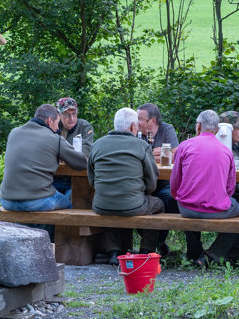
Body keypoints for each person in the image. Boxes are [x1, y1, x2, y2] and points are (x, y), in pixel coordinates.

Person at [170, 110, 239, 268]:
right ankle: (216, 254)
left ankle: (195, 251)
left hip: (186, 208)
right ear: (217, 130)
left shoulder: (184, 146)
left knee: (191, 203)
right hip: (216, 209)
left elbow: (175, 183)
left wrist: (182, 197)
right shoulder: (226, 151)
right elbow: (230, 189)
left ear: (198, 126)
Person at [0, 104, 87, 239]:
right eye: (57, 124)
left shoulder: (14, 133)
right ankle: (53, 244)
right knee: (71, 203)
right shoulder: (54, 138)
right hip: (37, 201)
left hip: (7, 200)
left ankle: (29, 240)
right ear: (49, 121)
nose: (57, 129)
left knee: (41, 201)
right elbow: (81, 163)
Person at [87, 107, 162, 264]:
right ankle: (146, 250)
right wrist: (142, 192)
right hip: (133, 204)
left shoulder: (97, 145)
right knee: (159, 204)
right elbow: (152, 182)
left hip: (101, 204)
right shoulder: (142, 146)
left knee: (111, 200)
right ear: (133, 127)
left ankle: (113, 251)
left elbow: (92, 179)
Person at [136, 103, 181, 255]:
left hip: (163, 182)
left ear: (152, 120)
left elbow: (177, 155)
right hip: (142, 181)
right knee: (135, 200)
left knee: (169, 199)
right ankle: (155, 245)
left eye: (140, 119)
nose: (137, 122)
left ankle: (157, 243)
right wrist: (155, 153)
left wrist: (157, 153)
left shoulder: (166, 129)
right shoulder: (136, 132)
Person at [51, 97, 95, 195]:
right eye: (67, 114)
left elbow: (86, 151)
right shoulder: (53, 127)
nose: (71, 118)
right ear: (59, 115)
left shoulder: (84, 126)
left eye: (74, 114)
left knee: (73, 201)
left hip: (76, 178)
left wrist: (64, 157)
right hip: (54, 178)